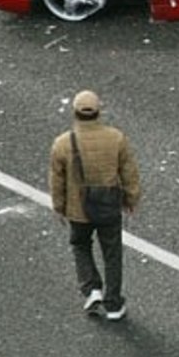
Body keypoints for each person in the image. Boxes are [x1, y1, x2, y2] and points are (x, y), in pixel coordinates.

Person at [49, 90, 141, 321]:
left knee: (80, 245)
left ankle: (91, 289)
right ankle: (113, 304)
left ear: (75, 113)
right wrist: (131, 198)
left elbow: (57, 180)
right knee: (112, 253)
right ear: (99, 111)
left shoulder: (62, 144)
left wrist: (59, 207)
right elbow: (129, 171)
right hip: (109, 206)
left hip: (78, 210)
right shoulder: (116, 138)